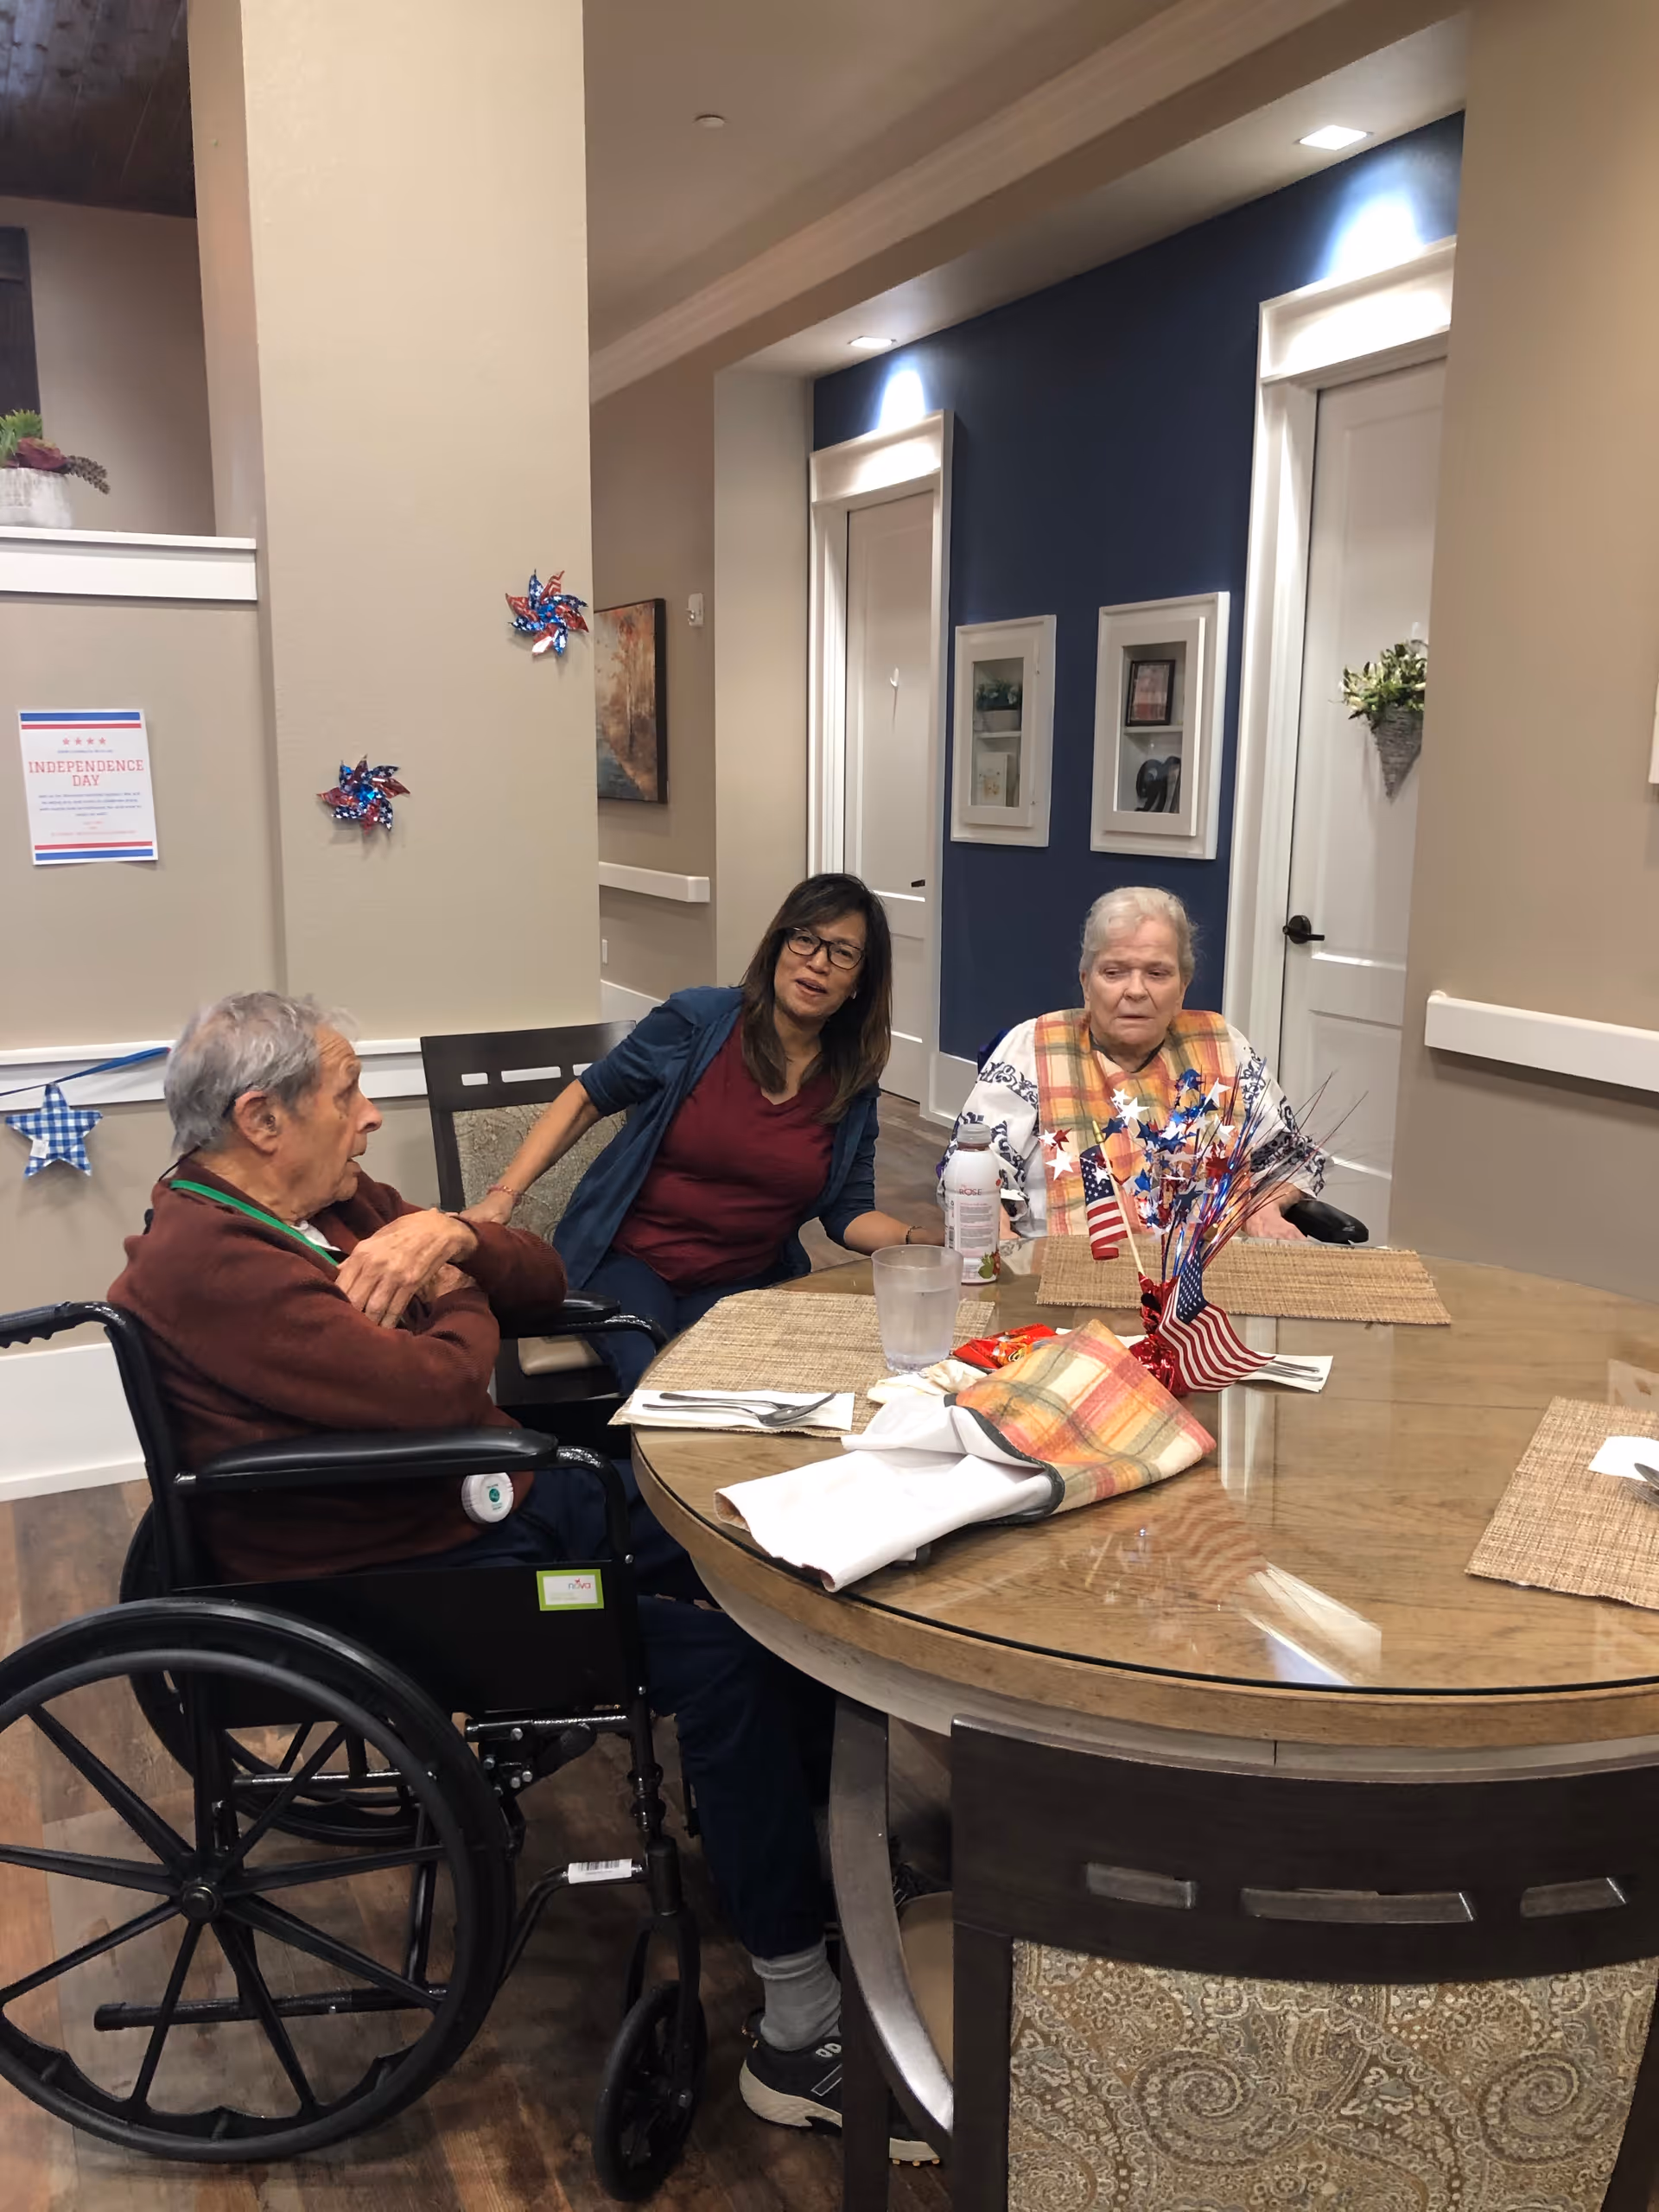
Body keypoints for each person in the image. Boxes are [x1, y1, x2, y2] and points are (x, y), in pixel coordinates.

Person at [109, 989, 926, 2157]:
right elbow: (442, 1392)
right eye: (348, 1093)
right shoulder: (212, 1261)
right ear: (262, 1118)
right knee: (727, 1661)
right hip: (403, 1572)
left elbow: (534, 1277)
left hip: (490, 1511)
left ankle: (811, 1863)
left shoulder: (332, 1209)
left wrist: (450, 1241)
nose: (373, 1117)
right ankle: (797, 2027)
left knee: (771, 1557)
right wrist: (460, 1307)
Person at [463, 872, 944, 1397]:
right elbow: (587, 1097)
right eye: (805, 938)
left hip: (743, 1277)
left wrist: (919, 1241)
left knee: (781, 1389)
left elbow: (848, 1213)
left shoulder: (852, 1083)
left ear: (859, 984)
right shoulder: (698, 1022)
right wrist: (503, 1196)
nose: (819, 961)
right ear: (779, 945)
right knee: (660, 1381)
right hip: (630, 1261)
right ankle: (618, 1480)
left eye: (844, 952)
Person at [943, 885, 1316, 1242]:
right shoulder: (1031, 1048)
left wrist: (1267, 1205)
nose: (1136, 990)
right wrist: (1002, 1249)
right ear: (1086, 984)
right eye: (1114, 972)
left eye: (1157, 973)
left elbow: (1290, 1160)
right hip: (1060, 1277)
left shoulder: (1223, 1045)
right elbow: (969, 1174)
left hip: (1206, 1282)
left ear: (1182, 987)